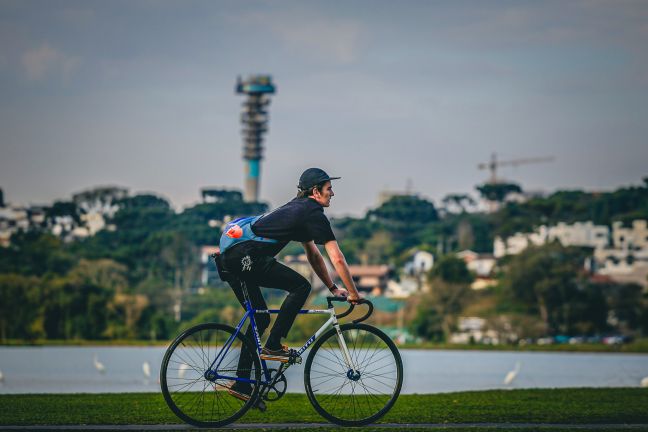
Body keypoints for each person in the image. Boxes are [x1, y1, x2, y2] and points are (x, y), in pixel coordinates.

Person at [217, 167, 361, 404]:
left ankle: (242, 384)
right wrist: (354, 293)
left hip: (231, 260)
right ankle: (273, 345)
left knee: (260, 318)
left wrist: (333, 288)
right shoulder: (312, 212)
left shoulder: (297, 210)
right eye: (329, 188)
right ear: (316, 191)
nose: (332, 193)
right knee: (301, 286)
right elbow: (337, 258)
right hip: (245, 257)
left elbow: (314, 256)